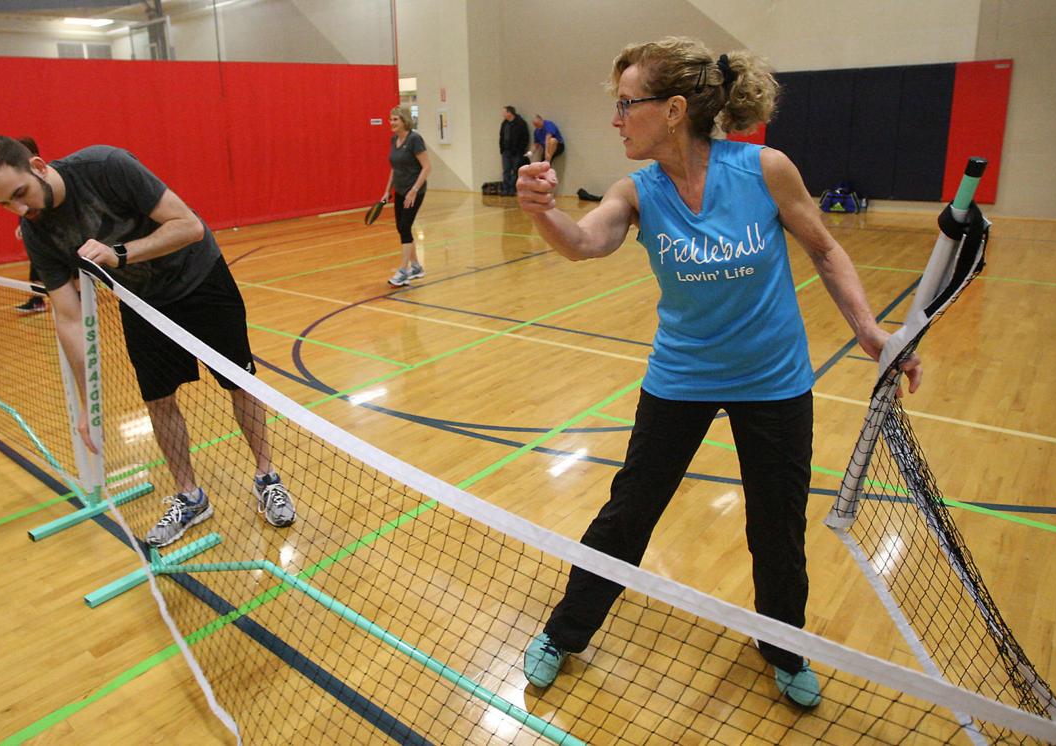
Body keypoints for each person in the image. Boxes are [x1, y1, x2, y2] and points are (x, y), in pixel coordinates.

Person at [516, 37, 922, 708]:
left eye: (626, 104)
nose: (616, 119)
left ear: (673, 109)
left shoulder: (764, 170)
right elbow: (586, 243)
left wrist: (870, 332)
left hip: (774, 379)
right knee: (627, 514)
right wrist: (544, 213)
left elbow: (824, 249)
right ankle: (566, 632)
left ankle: (783, 645)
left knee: (777, 528)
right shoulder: (637, 190)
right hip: (681, 376)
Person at [0, 136, 297, 547]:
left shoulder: (106, 167)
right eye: (3, 205)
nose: (19, 211)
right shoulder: (37, 233)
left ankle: (267, 476)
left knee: (239, 383)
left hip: (200, 279)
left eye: (20, 194)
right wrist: (88, 404)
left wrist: (118, 254)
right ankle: (190, 498)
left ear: (37, 165)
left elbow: (189, 226)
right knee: (158, 399)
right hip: (141, 302)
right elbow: (68, 317)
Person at [380, 106, 432, 287]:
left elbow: (426, 167)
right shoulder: (394, 139)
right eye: (390, 119)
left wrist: (414, 189)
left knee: (404, 226)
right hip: (400, 190)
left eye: (395, 119)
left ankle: (403, 271)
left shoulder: (415, 139)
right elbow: (395, 168)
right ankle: (416, 267)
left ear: (404, 120)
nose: (392, 123)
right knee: (401, 227)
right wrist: (387, 190)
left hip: (414, 191)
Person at [13, 136, 47, 315]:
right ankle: (37, 300)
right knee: (37, 263)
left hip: (52, 229)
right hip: (37, 229)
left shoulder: (40, 173)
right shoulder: (20, 177)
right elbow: (25, 205)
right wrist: (22, 225)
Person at [499, 106, 530, 196]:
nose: (503, 114)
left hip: (517, 152)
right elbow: (501, 137)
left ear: (509, 113)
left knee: (515, 171)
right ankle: (505, 189)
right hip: (506, 151)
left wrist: (520, 149)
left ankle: (513, 189)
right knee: (506, 170)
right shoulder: (504, 123)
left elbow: (525, 138)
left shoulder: (521, 123)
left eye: (504, 112)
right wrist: (502, 149)